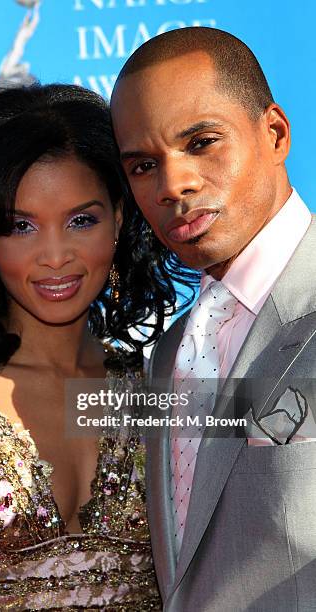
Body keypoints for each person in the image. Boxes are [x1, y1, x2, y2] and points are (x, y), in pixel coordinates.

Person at [0, 84, 197, 610]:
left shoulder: (156, 388)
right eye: (21, 226)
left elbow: (283, 437)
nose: (54, 256)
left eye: (81, 220)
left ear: (119, 217)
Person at [110, 27, 316, 611]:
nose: (174, 185)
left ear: (274, 133)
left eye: (202, 142)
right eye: (144, 165)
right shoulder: (171, 351)